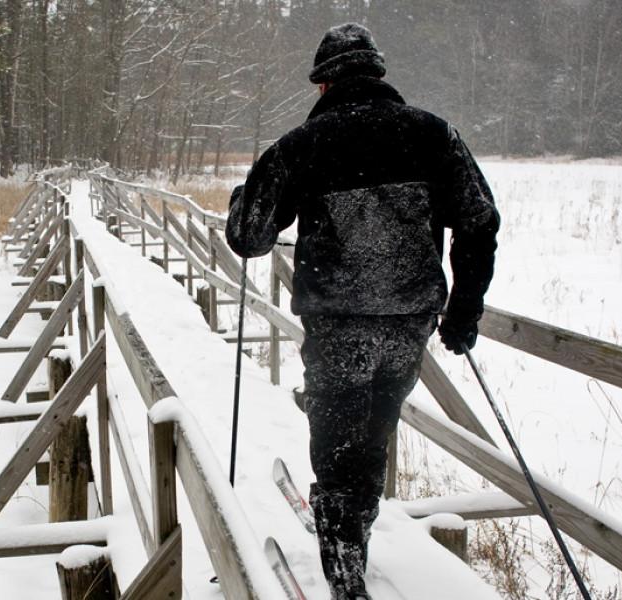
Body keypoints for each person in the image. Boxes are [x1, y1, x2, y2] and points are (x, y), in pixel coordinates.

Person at [226, 23, 500, 600]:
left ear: (323, 84)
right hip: (407, 323)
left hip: (337, 323)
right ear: (378, 75)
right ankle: (355, 536)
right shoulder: (432, 134)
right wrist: (462, 315)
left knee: (336, 442)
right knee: (375, 433)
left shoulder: (303, 145)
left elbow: (248, 236)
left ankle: (344, 568)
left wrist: (249, 190)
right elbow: (478, 223)